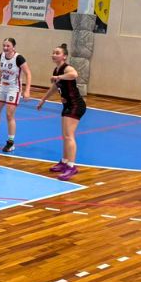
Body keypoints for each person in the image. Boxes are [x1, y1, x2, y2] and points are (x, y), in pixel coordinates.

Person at [36, 43, 86, 181]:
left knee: (69, 136)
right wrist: (43, 99)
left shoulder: (67, 68)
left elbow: (74, 74)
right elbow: (54, 88)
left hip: (76, 105)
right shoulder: (56, 70)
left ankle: (71, 166)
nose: (54, 55)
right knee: (65, 135)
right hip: (67, 105)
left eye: (57, 53)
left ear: (64, 56)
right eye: (53, 52)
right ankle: (64, 161)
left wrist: (59, 77)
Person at [0, 37, 32, 153]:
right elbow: (1, 70)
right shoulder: (1, 56)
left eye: (8, 46)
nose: (5, 48)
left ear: (13, 47)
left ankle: (10, 142)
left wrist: (27, 90)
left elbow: (28, 73)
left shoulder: (19, 58)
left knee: (9, 115)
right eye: (4, 45)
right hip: (3, 87)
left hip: (14, 89)